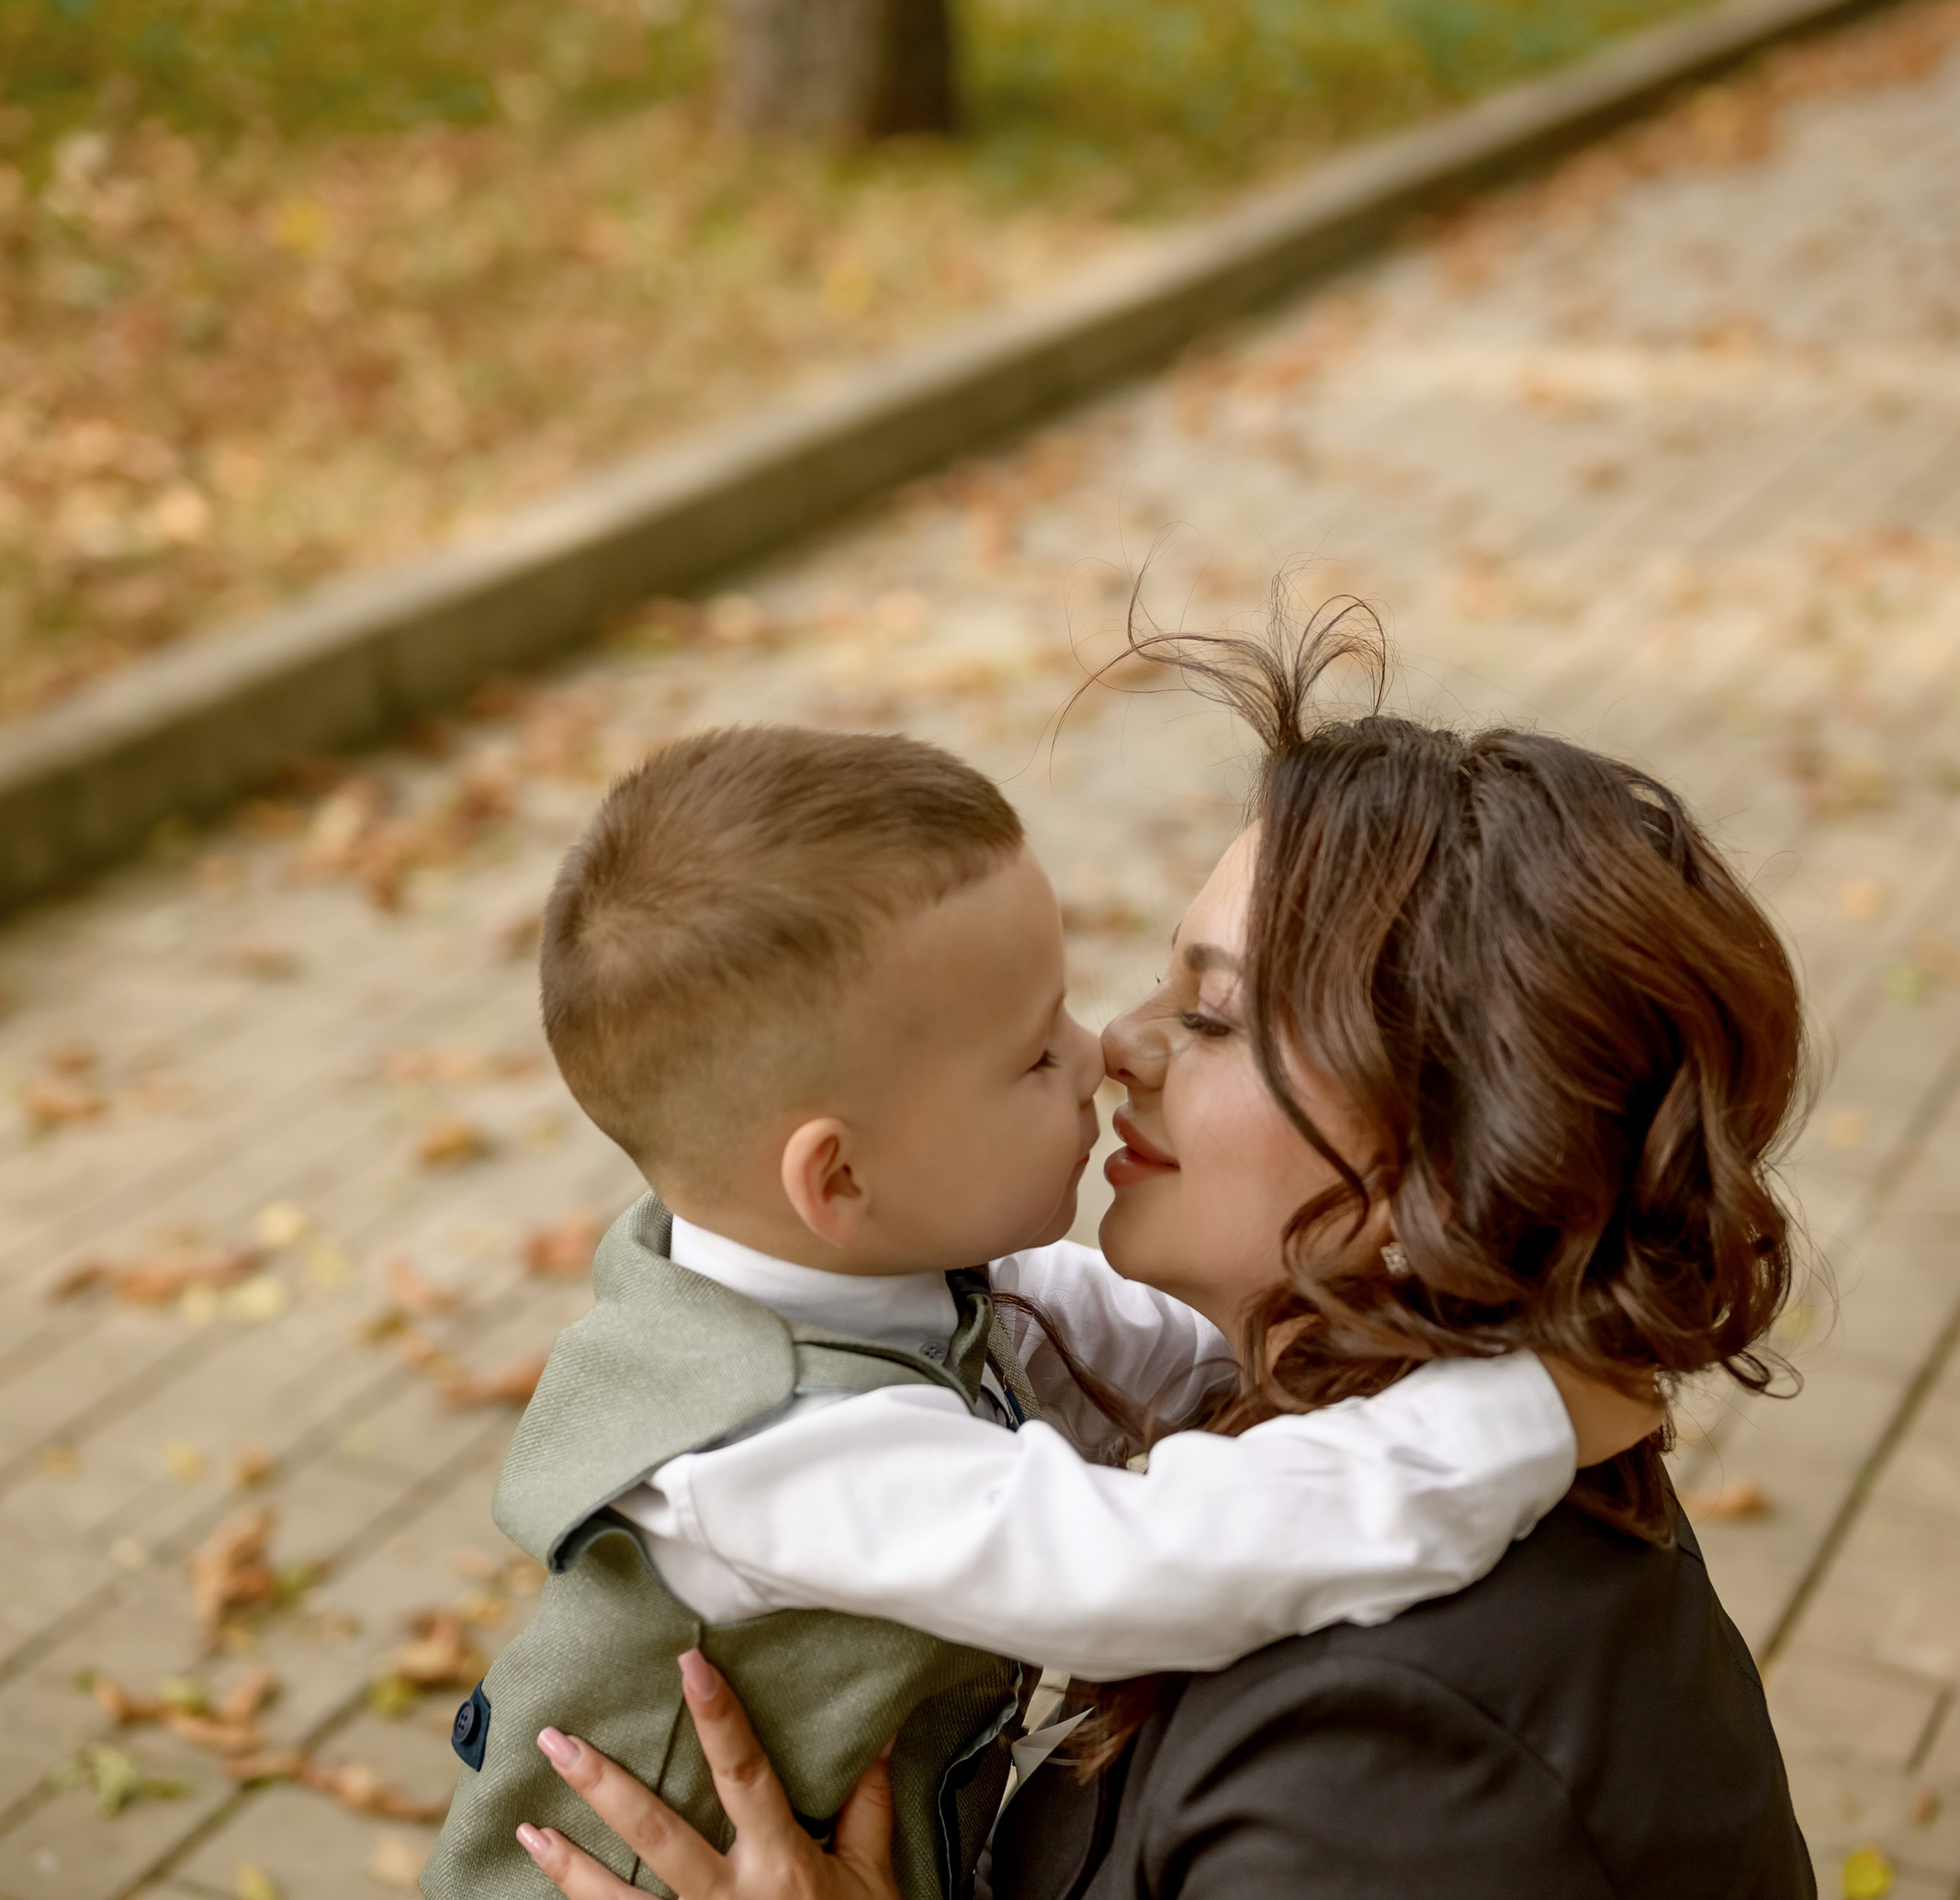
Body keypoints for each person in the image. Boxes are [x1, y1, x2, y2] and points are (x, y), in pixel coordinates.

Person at [509, 609, 1815, 1898]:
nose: (1116, 1049)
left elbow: (1079, 1360)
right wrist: (1514, 1397)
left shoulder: (1386, 1778)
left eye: (1209, 1013)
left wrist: (1520, 1389)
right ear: (835, 1182)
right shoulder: (771, 1434)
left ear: (1455, 1167)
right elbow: (1121, 1528)